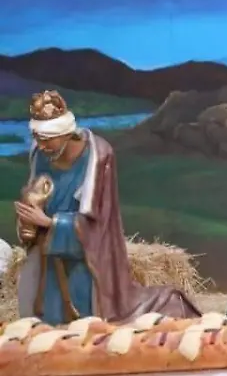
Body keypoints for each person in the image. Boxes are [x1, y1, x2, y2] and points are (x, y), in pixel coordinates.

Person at [16, 91, 202, 325]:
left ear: (65, 134)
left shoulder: (97, 157)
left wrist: (49, 223)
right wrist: (29, 221)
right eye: (37, 137)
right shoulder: (39, 155)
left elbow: (96, 226)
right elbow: (34, 196)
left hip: (84, 262)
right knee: (45, 319)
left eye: (46, 139)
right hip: (49, 258)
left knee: (87, 323)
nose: (41, 145)